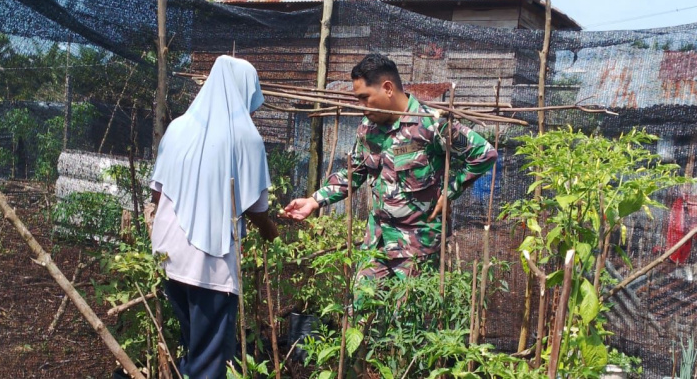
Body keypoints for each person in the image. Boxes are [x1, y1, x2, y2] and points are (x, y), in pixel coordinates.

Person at [282, 53, 497, 281]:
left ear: (387, 88)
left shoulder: (431, 124)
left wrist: (449, 192)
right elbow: (354, 172)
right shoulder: (368, 128)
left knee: (407, 315)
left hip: (417, 248)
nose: (361, 106)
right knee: (362, 311)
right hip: (377, 243)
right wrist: (314, 200)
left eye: (365, 97)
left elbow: (484, 153)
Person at [149, 55, 278, 379]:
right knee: (209, 363)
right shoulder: (246, 138)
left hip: (169, 257)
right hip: (209, 266)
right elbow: (255, 208)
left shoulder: (178, 127)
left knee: (191, 346)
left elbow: (157, 193)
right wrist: (271, 232)